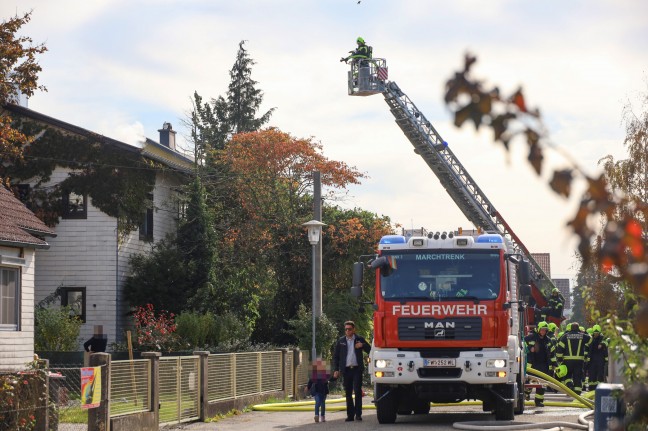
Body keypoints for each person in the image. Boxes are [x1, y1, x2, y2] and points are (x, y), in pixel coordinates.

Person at [332, 320, 371, 421]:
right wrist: (336, 369)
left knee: (357, 391)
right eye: (346, 329)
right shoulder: (341, 341)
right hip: (346, 370)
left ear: (354, 329)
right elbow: (336, 357)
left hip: (357, 369)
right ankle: (350, 415)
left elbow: (370, 349)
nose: (347, 331)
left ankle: (358, 414)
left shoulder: (359, 339)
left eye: (349, 329)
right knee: (348, 392)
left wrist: (362, 345)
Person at [524, 321, 557, 407]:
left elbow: (552, 352)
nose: (543, 332)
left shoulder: (548, 340)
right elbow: (522, 344)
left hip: (544, 365)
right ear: (538, 329)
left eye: (545, 330)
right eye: (542, 330)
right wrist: (529, 348)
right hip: (532, 365)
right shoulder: (531, 337)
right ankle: (526, 393)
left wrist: (554, 364)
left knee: (542, 384)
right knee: (529, 382)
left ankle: (539, 401)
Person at [556, 322, 590, 394]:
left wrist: (559, 359)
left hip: (567, 360)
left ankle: (570, 386)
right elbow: (591, 340)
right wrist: (585, 332)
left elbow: (560, 348)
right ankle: (577, 392)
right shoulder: (582, 335)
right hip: (579, 361)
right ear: (578, 329)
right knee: (577, 376)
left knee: (567, 375)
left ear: (570, 328)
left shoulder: (565, 336)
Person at [307, 358, 330, 423]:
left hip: (324, 391)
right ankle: (316, 415)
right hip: (317, 391)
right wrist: (308, 387)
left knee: (323, 404)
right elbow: (310, 381)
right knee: (318, 402)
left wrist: (328, 381)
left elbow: (328, 380)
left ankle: (322, 416)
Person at [586, 324, 608, 391]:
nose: (596, 334)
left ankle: (599, 388)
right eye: (595, 333)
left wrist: (602, 344)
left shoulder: (602, 338)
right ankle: (591, 388)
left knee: (600, 373)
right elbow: (587, 347)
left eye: (597, 333)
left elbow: (607, 343)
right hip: (592, 359)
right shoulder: (591, 338)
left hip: (600, 358)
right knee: (592, 374)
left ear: (599, 332)